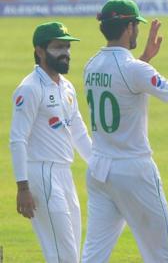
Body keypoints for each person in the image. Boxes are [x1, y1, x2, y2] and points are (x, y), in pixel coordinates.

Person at [81, 0, 168, 262]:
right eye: (136, 25)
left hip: (99, 168)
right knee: (162, 255)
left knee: (94, 254)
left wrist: (145, 58)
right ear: (128, 28)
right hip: (133, 170)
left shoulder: (90, 65)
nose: (138, 30)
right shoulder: (134, 69)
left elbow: (121, 83)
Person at [9, 21, 92, 262]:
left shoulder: (66, 87)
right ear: (40, 51)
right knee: (62, 255)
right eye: (58, 47)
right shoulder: (30, 89)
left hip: (64, 174)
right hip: (41, 174)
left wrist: (99, 165)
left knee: (71, 252)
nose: (65, 53)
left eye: (67, 47)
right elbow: (17, 139)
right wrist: (22, 188)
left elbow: (79, 132)